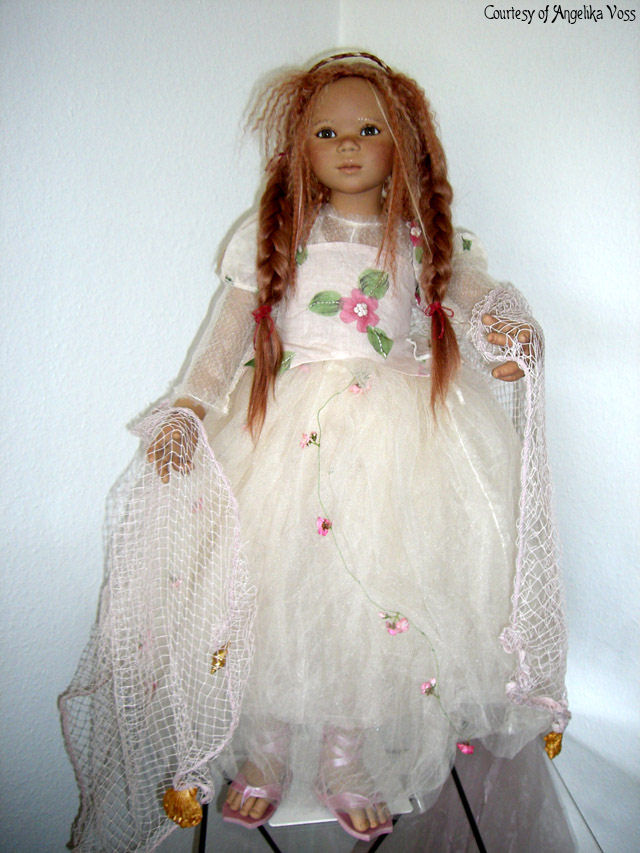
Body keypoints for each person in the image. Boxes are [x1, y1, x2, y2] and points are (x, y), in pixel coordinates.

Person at [60, 52, 569, 850]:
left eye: (369, 129)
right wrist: (187, 408)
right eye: (326, 133)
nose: (348, 145)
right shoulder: (276, 238)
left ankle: (344, 748)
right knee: (271, 590)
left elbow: (473, 298)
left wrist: (504, 331)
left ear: (404, 145)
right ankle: (265, 742)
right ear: (300, 148)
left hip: (396, 447)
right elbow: (226, 337)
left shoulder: (419, 240)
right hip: (282, 439)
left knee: (371, 602)